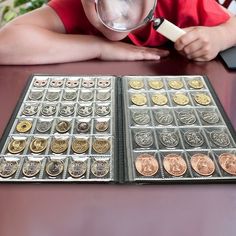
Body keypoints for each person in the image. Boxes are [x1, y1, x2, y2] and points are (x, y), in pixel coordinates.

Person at [0, 0, 235, 65]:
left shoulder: (184, 3)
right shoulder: (74, 6)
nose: (111, 14)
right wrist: (100, 47)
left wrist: (220, 36)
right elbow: (5, 44)